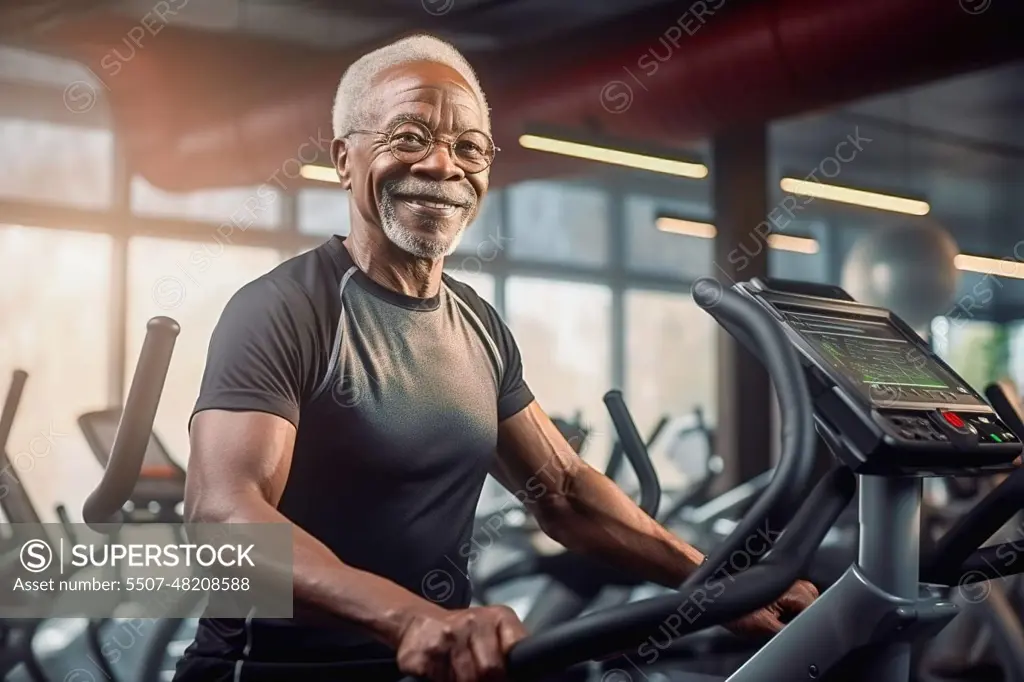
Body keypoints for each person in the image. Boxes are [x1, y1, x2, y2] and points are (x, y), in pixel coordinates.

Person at [173, 33, 818, 682]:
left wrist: (720, 583)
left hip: (434, 669)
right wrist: (411, 619)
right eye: (408, 137)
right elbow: (222, 513)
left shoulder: (476, 322)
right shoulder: (284, 308)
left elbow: (563, 491)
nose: (442, 166)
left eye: (469, 147)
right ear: (345, 159)